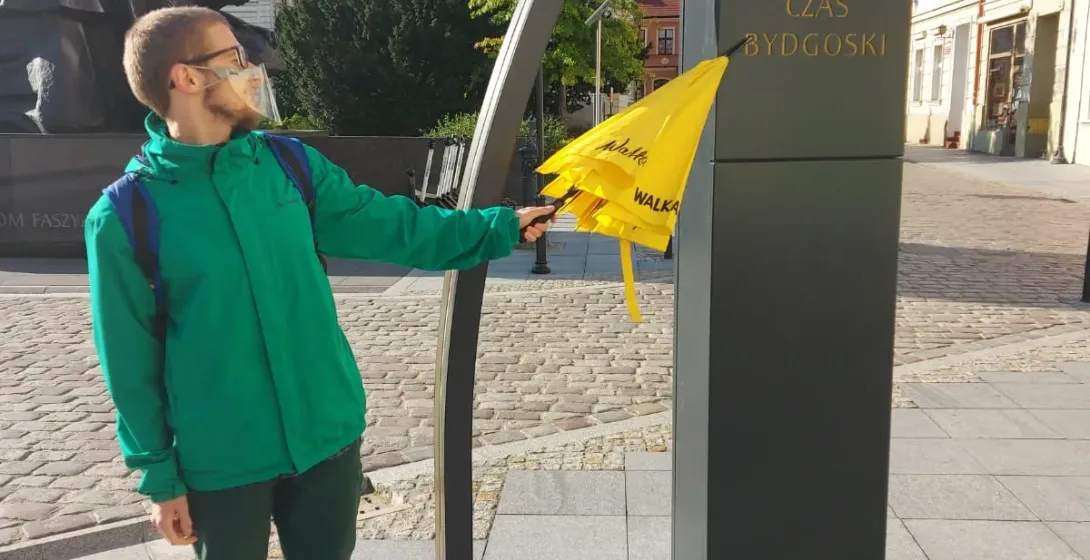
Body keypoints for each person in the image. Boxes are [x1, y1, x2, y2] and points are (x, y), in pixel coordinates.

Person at [84, 6, 553, 560]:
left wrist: (500, 226)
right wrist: (159, 481)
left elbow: (393, 226)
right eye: (233, 58)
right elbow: (129, 366)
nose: (252, 70)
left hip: (327, 438)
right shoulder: (124, 215)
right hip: (222, 459)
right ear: (185, 78)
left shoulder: (290, 165)